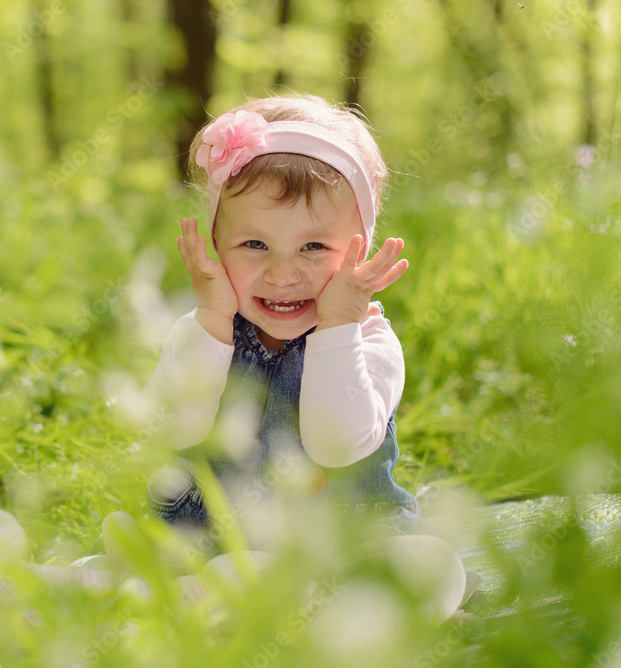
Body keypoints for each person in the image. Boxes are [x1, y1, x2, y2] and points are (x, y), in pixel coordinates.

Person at [140, 93, 475, 620]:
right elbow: (169, 429)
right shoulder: (204, 329)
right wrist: (210, 322)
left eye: (314, 248)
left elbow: (337, 443)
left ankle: (314, 605)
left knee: (434, 564)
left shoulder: (369, 342)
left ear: (358, 253)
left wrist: (338, 326)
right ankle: (303, 609)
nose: (282, 273)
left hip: (348, 542)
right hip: (225, 545)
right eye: (254, 244)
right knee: (223, 570)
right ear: (215, 243)